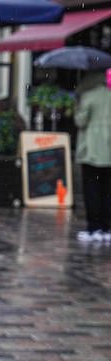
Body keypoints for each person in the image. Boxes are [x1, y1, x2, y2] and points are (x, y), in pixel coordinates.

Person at [74, 71, 111, 243]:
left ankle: (93, 227)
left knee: (92, 190)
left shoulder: (89, 96)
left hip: (92, 151)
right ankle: (106, 228)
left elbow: (80, 121)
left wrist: (77, 105)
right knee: (107, 190)